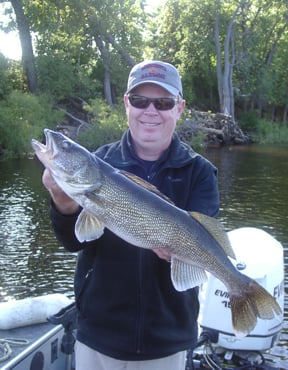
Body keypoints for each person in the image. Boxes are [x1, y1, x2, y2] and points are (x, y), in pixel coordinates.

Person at [42, 60, 219, 370]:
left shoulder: (200, 172)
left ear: (179, 108)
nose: (150, 111)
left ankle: (241, 287)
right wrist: (62, 199)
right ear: (126, 104)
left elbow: (199, 236)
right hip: (98, 333)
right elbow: (74, 241)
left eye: (163, 102)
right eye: (140, 100)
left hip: (166, 341)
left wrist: (176, 250)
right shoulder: (100, 162)